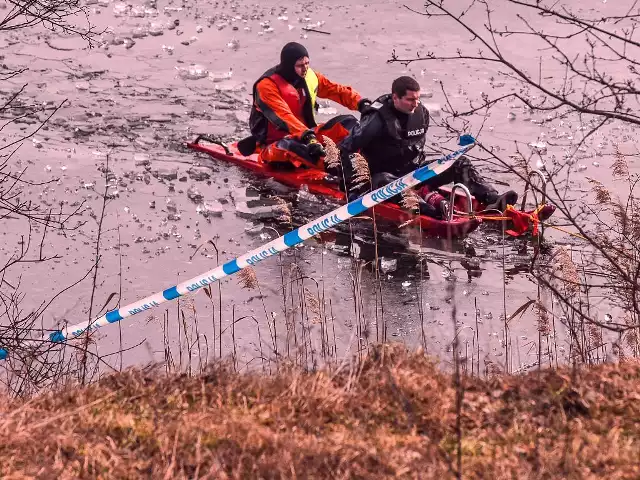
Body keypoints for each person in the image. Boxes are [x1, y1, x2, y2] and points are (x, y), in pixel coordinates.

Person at [338, 76, 518, 219]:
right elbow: (346, 148)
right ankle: (428, 209)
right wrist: (351, 185)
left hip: (414, 173)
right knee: (387, 180)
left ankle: (492, 200)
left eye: (417, 99)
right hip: (382, 179)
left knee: (459, 162)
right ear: (395, 98)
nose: (415, 104)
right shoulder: (376, 119)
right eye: (410, 100)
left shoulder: (421, 113)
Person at [238, 42, 371, 170]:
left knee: (349, 123)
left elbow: (335, 90)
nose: (305, 68)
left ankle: (362, 160)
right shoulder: (266, 86)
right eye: (300, 65)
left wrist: (360, 103)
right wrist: (308, 137)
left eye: (307, 63)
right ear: (289, 66)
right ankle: (334, 170)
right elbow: (284, 116)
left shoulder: (309, 76)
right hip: (276, 144)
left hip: (307, 135)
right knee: (293, 147)